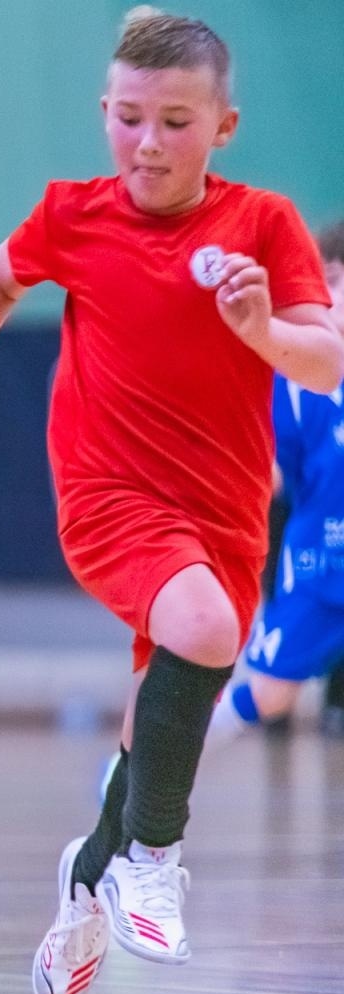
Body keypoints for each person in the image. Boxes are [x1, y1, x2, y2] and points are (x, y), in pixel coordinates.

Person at [0, 8, 341, 994]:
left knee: (151, 723)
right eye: (130, 119)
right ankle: (153, 852)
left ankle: (84, 889)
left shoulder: (265, 226)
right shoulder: (73, 213)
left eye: (176, 123)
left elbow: (325, 358)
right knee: (201, 628)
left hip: (224, 515)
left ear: (223, 128)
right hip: (107, 497)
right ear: (104, 112)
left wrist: (258, 327)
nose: (148, 144)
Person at [202, 221, 344, 747]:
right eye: (324, 281)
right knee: (270, 694)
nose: (332, 295)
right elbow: (270, 474)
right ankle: (138, 780)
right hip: (322, 568)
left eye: (336, 279)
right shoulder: (296, 381)